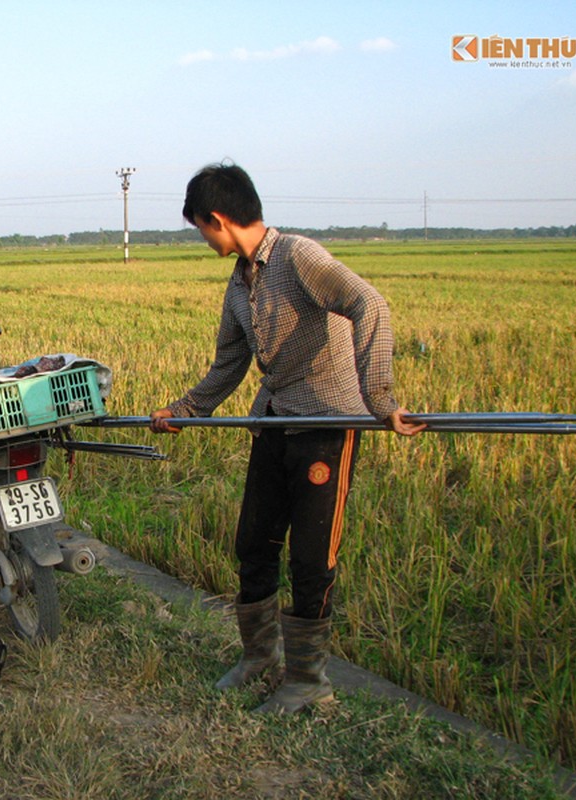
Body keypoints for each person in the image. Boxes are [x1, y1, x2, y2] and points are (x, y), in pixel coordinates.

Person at [150, 163, 425, 713]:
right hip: (274, 421)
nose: (202, 238)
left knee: (311, 558)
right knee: (254, 542)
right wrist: (185, 410)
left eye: (201, 228)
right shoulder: (239, 282)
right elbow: (229, 363)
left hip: (326, 424)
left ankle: (308, 681)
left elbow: (368, 304)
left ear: (218, 219)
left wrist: (382, 402)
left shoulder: (299, 256)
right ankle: (259, 656)